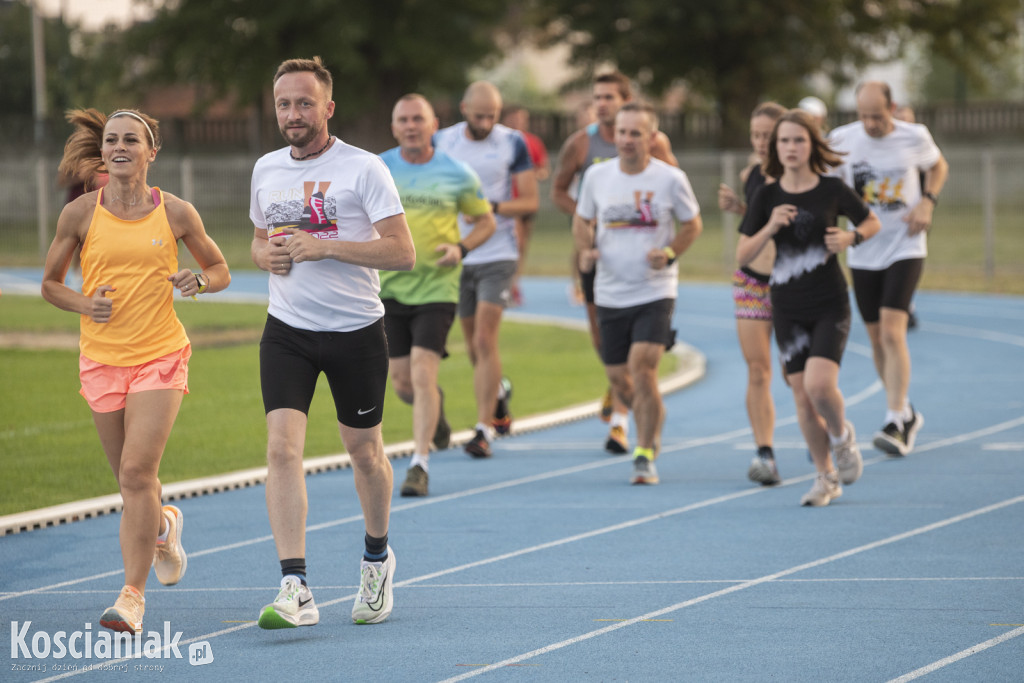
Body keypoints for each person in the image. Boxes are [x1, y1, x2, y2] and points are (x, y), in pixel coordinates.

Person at [41, 107, 230, 634]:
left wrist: (201, 282)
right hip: (101, 360)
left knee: (135, 473)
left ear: (152, 151)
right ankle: (164, 529)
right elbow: (51, 284)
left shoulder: (176, 212)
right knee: (133, 488)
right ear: (102, 153)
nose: (119, 147)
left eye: (131, 140)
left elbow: (220, 269)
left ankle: (132, 597)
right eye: (111, 141)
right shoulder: (79, 213)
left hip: (160, 354)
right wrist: (84, 305)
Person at [249, 56, 415, 629]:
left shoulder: (364, 169)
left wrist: (327, 246)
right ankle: (294, 585)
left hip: (355, 332)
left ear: (328, 108)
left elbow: (401, 251)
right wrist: (264, 255)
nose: (293, 114)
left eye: (303, 103)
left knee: (365, 453)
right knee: (281, 450)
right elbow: (257, 239)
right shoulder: (266, 169)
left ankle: (376, 558)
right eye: (283, 104)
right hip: (287, 331)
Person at [737, 109, 881, 507]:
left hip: (829, 301)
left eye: (798, 140)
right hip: (786, 305)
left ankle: (841, 437)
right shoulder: (766, 195)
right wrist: (769, 227)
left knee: (819, 385)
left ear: (811, 145)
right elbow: (743, 253)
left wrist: (851, 239)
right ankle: (825, 477)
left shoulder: (832, 189)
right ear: (775, 148)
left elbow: (872, 223)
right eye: (783, 141)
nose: (790, 147)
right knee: (801, 395)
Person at [572, 102, 702, 485]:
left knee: (643, 370)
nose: (626, 140)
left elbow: (693, 224)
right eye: (622, 132)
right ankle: (650, 416)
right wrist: (585, 249)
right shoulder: (598, 177)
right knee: (620, 380)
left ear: (651, 137)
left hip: (655, 290)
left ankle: (645, 451)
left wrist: (670, 252)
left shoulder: (671, 179)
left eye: (635, 133)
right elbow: (582, 220)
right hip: (610, 291)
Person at [552, 71, 679, 457]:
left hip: (645, 271)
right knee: (603, 343)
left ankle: (625, 425)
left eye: (609, 97)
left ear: (626, 102)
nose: (601, 104)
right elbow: (558, 191)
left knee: (640, 365)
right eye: (597, 97)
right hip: (596, 259)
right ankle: (624, 396)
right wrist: (588, 217)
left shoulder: (655, 143)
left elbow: (673, 184)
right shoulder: (581, 143)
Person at [380, 94, 496, 497]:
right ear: (394, 127)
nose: (411, 126)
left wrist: (461, 249)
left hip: (438, 287)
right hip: (390, 287)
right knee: (402, 384)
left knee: (423, 373)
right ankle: (438, 413)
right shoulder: (378, 168)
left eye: (418, 119)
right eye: (403, 119)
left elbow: (486, 222)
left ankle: (419, 464)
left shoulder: (457, 172)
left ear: (434, 125)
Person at [828, 81, 948, 456]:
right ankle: (906, 408)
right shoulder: (842, 139)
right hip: (863, 248)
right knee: (877, 336)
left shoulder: (915, 136)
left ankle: (895, 419)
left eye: (877, 116)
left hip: (905, 244)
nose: (870, 124)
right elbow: (830, 189)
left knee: (894, 331)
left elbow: (938, 165)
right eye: (863, 116)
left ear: (892, 108)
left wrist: (928, 201)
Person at [434, 81, 538, 459]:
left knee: (484, 339)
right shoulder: (442, 141)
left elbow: (529, 200)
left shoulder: (512, 142)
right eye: (479, 116)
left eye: (492, 116)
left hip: (498, 251)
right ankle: (498, 395)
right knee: (472, 345)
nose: (486, 122)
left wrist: (489, 208)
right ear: (464, 108)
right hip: (456, 254)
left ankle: (482, 429)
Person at [717, 101, 787, 485]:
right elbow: (759, 222)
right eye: (756, 136)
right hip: (752, 281)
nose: (761, 143)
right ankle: (765, 453)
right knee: (758, 370)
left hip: (794, 285)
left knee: (798, 377)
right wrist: (740, 208)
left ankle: (827, 436)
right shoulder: (751, 174)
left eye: (768, 136)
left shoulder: (802, 177)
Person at [501, 104, 550, 306]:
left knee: (521, 247)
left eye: (522, 118)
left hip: (527, 202)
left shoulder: (532, 142)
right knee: (512, 245)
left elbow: (543, 169)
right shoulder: (499, 140)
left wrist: (532, 175)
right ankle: (509, 287)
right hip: (506, 203)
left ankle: (514, 284)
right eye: (514, 118)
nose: (518, 122)